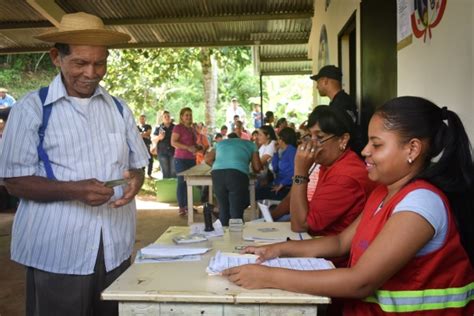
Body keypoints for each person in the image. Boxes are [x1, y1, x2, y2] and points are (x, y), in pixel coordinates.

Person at [223, 96, 474, 315]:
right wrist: (275, 250)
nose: (365, 151)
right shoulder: (383, 192)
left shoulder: (421, 203)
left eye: (376, 144)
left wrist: (267, 277)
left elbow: (360, 282)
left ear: (413, 149)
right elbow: (341, 242)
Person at [0, 12, 150, 316]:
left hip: (115, 246)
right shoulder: (32, 110)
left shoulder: (119, 109)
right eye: (80, 63)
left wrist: (136, 179)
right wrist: (74, 190)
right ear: (57, 57)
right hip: (58, 250)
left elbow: (138, 166)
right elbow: (14, 180)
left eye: (100, 63)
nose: (91, 73)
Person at [205, 133, 262, 225]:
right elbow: (257, 167)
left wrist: (220, 166)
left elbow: (207, 159)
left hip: (217, 174)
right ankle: (236, 238)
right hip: (237, 175)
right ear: (239, 138)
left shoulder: (220, 143)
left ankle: (224, 236)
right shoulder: (251, 144)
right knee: (236, 212)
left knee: (223, 210)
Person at [311, 65, 364, 154]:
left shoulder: (341, 103)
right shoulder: (341, 100)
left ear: (325, 81)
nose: (317, 87)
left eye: (318, 82)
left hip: (347, 155)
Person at [171, 107, 199, 216]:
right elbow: (173, 142)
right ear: (182, 117)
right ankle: (181, 207)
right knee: (181, 182)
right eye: (186, 115)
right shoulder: (178, 128)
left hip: (191, 158)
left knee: (190, 182)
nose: (189, 117)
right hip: (180, 158)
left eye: (190, 115)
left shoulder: (192, 128)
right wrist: (187, 148)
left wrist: (197, 147)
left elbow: (193, 143)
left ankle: (188, 205)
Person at [256, 127, 297, 201]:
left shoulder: (292, 151)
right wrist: (275, 152)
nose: (277, 141)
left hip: (286, 187)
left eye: (278, 138)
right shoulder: (283, 151)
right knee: (258, 189)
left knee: (257, 192)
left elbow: (294, 171)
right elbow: (275, 168)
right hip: (278, 183)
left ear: (283, 139)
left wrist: (282, 184)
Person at [152, 110, 175, 178]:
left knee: (173, 173)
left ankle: (173, 188)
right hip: (162, 153)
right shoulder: (159, 128)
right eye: (165, 117)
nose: (167, 118)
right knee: (165, 172)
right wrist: (159, 137)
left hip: (173, 152)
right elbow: (153, 140)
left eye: (168, 116)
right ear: (162, 118)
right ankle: (166, 188)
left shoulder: (175, 127)